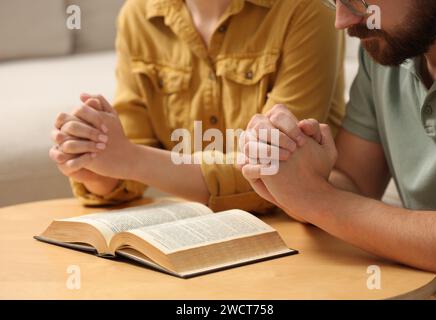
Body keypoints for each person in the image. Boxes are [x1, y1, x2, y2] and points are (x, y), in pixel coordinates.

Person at [49, 0, 345, 213]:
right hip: (198, 229)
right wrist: (95, 164)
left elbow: (279, 169)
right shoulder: (138, 14)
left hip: (301, 229)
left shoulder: (310, 10)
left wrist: (130, 159)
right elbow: (131, 155)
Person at [240, 0, 436, 297]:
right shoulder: (385, 52)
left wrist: (317, 200)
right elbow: (354, 184)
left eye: (357, 0)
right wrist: (293, 170)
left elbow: (335, 204)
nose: (341, 21)